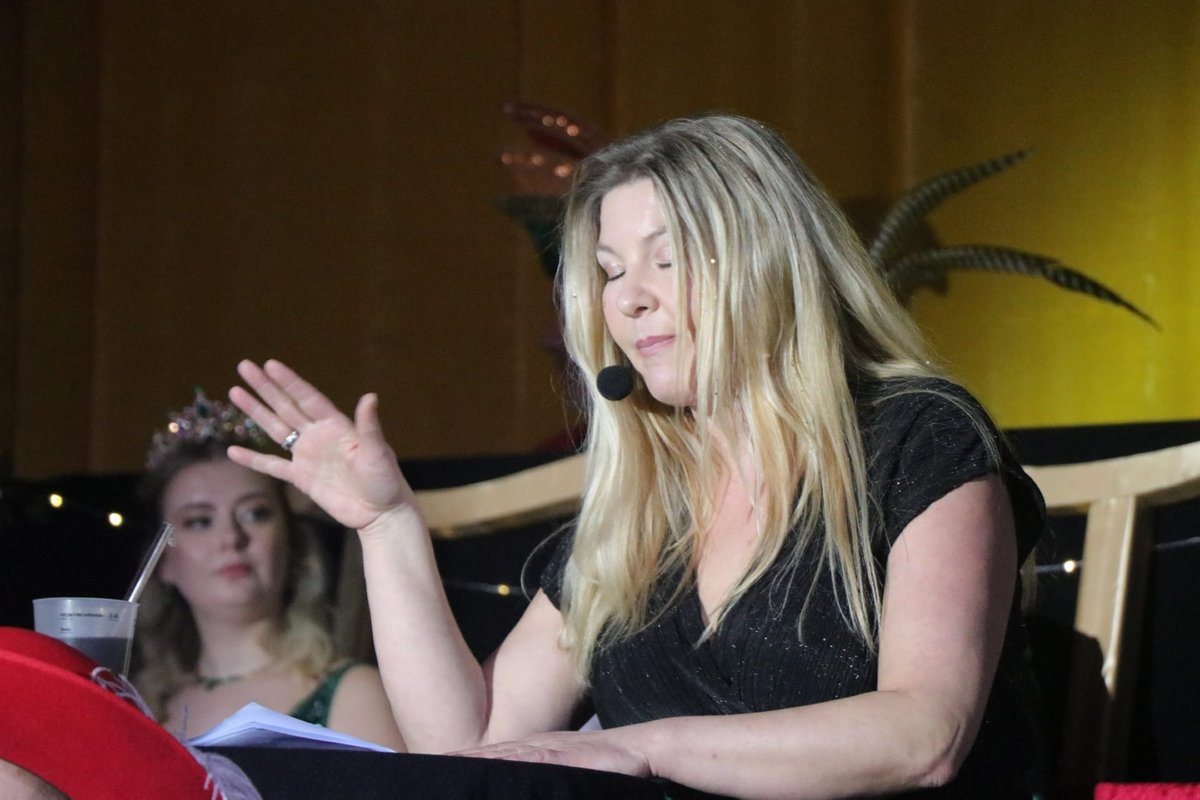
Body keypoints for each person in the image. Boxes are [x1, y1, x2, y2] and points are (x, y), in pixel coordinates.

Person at [227, 113, 1046, 798]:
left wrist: (641, 747)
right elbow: (472, 745)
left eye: (666, 258)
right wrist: (387, 526)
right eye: (610, 271)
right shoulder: (645, 501)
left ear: (768, 261)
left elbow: (923, 733)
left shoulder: (918, 435)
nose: (629, 297)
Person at [133, 391, 404, 750]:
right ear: (163, 562)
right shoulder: (141, 711)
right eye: (199, 521)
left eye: (255, 513)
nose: (231, 538)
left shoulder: (354, 695)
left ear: (291, 542)